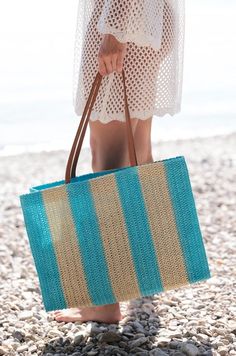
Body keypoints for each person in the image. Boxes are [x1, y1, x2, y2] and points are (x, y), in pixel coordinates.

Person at [53, 0, 185, 323]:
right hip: (152, 22)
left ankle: (105, 303)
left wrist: (114, 33)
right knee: (138, 151)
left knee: (107, 161)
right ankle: (148, 270)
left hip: (123, 21)